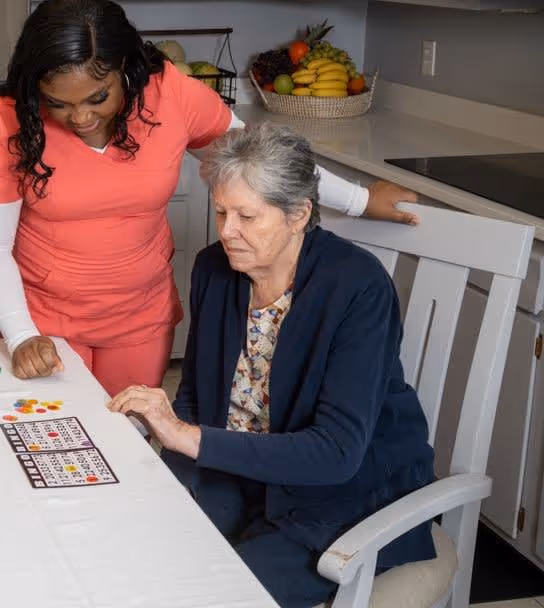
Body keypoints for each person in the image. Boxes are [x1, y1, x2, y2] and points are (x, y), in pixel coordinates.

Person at [0, 0, 419, 397]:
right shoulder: (9, 121)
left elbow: (260, 162)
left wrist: (360, 200)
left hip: (139, 317)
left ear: (126, 70)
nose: (80, 117)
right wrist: (21, 334)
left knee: (132, 445)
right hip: (45, 319)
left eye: (96, 98)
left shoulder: (169, 94)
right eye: (58, 103)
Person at [107, 123, 435, 607]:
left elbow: (337, 452)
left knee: (219, 595)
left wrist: (185, 437)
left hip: (337, 495)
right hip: (236, 470)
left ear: (298, 214)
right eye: (221, 212)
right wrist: (173, 471)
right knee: (141, 557)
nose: (227, 231)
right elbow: (197, 395)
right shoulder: (214, 269)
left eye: (247, 216)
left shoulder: (358, 288)